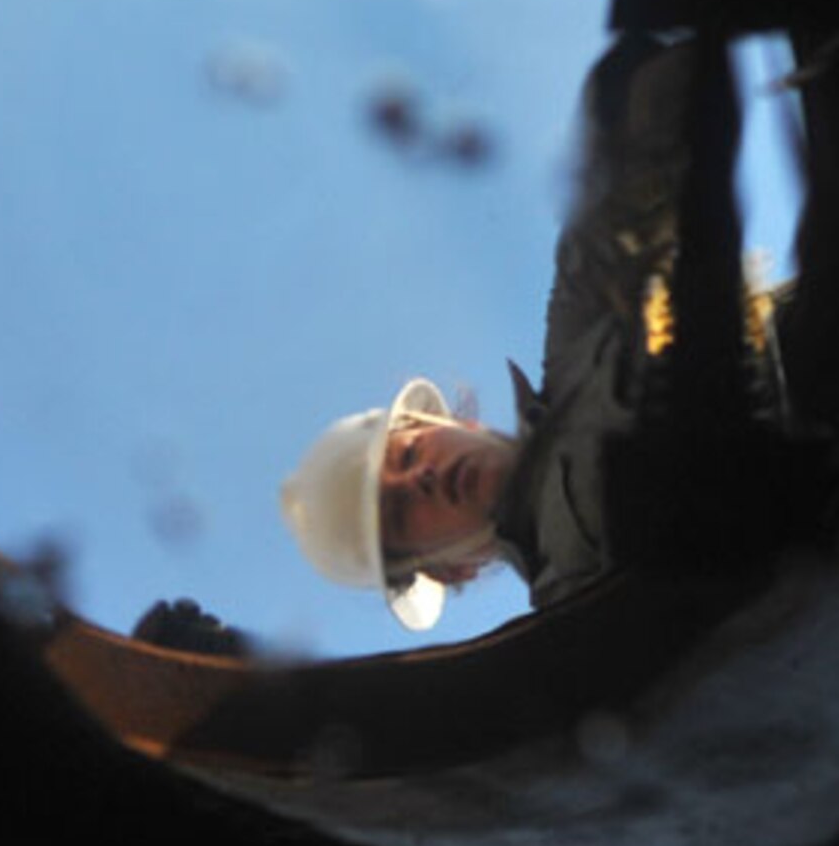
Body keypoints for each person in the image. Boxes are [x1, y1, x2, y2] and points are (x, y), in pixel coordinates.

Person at [279, 31, 786, 630]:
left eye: (410, 450)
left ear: (456, 423)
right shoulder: (570, 624)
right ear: (449, 571)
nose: (424, 476)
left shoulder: (576, 343)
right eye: (398, 511)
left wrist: (631, 106)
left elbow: (612, 219)